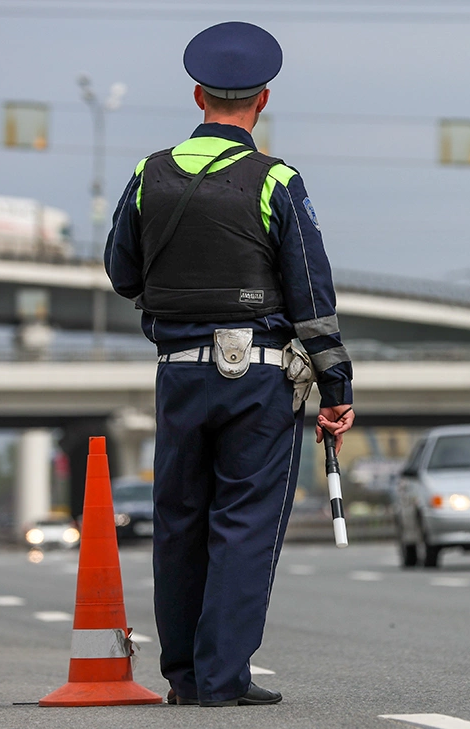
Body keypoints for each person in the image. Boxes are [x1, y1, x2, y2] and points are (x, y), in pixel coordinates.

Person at [104, 21, 354, 708]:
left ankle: (183, 676)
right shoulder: (277, 180)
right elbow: (312, 292)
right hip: (259, 380)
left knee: (179, 518)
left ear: (197, 95)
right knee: (243, 521)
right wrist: (335, 385)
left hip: (178, 372)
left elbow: (121, 273)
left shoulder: (147, 174)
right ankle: (223, 678)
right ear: (262, 100)